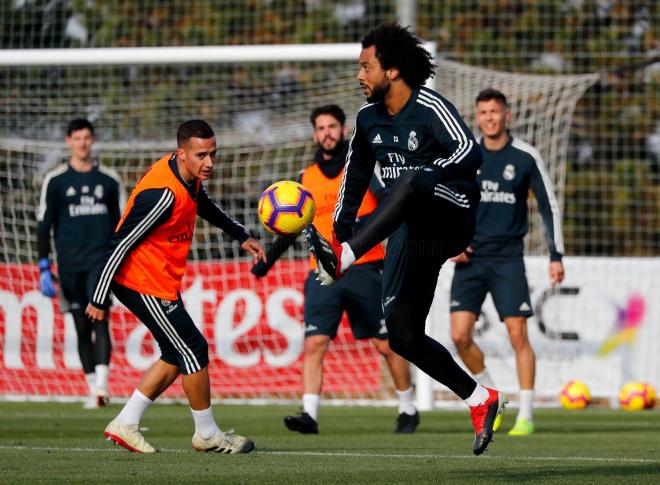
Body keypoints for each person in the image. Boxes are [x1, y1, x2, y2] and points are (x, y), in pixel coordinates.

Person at [304, 24, 502, 455]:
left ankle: (349, 255)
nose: (359, 74)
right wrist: (341, 223)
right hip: (414, 234)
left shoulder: (427, 104)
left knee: (412, 180)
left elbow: (470, 151)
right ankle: (479, 398)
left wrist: (429, 173)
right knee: (402, 337)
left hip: (452, 214)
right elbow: (355, 174)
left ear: (392, 70)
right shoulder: (367, 119)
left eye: (365, 66)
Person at [85, 120, 266, 454]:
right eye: (201, 155)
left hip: (160, 278)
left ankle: (125, 423)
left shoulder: (189, 178)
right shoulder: (163, 195)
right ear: (181, 154)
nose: (209, 162)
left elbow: (204, 205)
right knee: (194, 348)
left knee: (175, 351)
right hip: (139, 281)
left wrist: (241, 236)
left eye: (213, 153)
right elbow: (120, 243)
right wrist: (99, 296)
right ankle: (207, 434)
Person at [251, 105, 419, 434]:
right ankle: (309, 415)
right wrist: (267, 260)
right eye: (321, 128)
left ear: (343, 130)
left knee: (386, 344)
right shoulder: (303, 181)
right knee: (315, 343)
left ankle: (408, 408)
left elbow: (391, 206)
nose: (327, 132)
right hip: (322, 273)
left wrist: (360, 233)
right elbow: (292, 228)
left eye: (333, 126)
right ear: (315, 134)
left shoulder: (363, 169)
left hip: (365, 268)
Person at [449, 88, 565, 436]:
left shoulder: (525, 156)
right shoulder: (467, 155)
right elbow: (448, 201)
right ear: (478, 116)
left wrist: (555, 255)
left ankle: (527, 415)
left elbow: (549, 206)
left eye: (495, 111)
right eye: (483, 112)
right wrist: (451, 242)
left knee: (518, 335)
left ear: (507, 115)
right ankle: (489, 396)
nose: (489, 117)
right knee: (459, 337)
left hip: (507, 259)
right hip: (469, 260)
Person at [37, 119, 125, 409]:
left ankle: (101, 386)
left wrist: (122, 261)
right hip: (69, 264)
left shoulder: (110, 180)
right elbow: (43, 225)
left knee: (99, 319)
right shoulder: (56, 180)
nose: (83, 143)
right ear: (68, 141)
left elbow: (123, 225)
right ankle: (92, 389)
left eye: (87, 137)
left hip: (100, 261)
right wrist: (43, 265)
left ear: (93, 140)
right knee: (79, 326)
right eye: (77, 138)